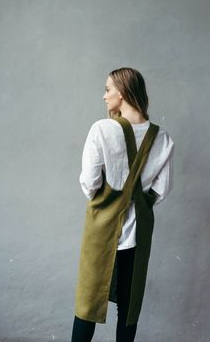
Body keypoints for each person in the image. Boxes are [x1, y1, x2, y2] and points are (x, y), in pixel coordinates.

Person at [70, 67, 175, 342]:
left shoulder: (101, 129)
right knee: (129, 310)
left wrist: (109, 198)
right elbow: (162, 190)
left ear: (123, 92)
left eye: (107, 90)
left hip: (101, 231)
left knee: (87, 304)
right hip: (137, 234)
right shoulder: (162, 138)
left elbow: (89, 184)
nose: (104, 96)